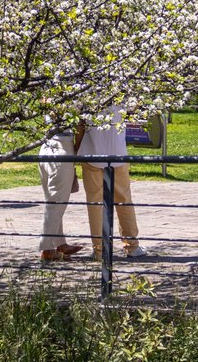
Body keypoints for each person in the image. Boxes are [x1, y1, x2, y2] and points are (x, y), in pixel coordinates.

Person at [76, 105, 147, 260]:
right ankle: (131, 245)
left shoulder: (85, 93)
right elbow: (133, 111)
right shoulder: (121, 92)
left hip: (91, 153)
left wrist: (76, 148)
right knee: (123, 200)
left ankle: (100, 250)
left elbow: (80, 123)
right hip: (118, 153)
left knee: (95, 203)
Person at [38, 128, 84, 261]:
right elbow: (80, 126)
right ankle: (46, 249)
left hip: (46, 145)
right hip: (63, 148)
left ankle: (59, 243)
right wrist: (76, 151)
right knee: (56, 202)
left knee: (53, 200)